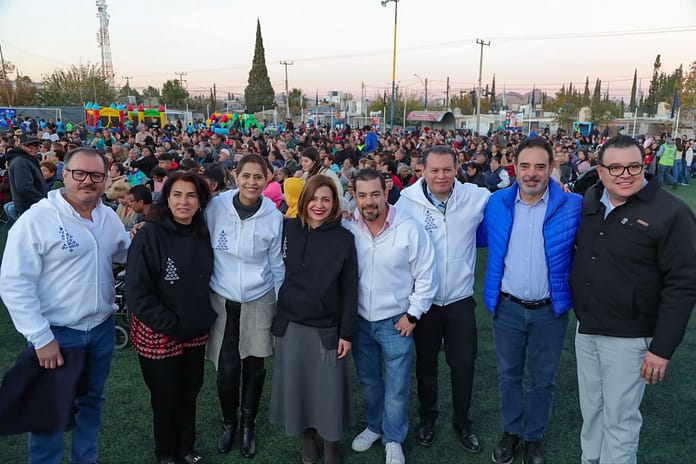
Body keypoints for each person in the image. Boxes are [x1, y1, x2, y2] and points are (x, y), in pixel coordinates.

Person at [570, 135, 696, 464]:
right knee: (592, 412)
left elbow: (683, 285)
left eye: (633, 167)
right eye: (615, 167)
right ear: (600, 171)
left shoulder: (671, 212)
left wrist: (662, 348)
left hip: (629, 338)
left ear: (644, 166)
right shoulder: (590, 200)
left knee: (619, 421)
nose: (625, 174)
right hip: (587, 330)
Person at [0, 147, 130, 464]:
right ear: (65, 175)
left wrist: (143, 237)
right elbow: (14, 283)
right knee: (48, 411)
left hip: (100, 330)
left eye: (96, 175)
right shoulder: (37, 219)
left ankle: (86, 460)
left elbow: (123, 252)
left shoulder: (108, 217)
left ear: (105, 179)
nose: (88, 181)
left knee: (92, 402)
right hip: (57, 334)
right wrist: (41, 338)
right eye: (79, 173)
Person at [480, 136, 582, 464]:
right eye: (525, 166)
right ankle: (511, 432)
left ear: (552, 168)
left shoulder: (573, 205)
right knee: (508, 375)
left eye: (540, 166)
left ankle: (533, 437)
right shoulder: (496, 202)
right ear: (515, 167)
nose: (532, 173)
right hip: (507, 308)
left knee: (543, 380)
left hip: (549, 312)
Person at [395, 145, 490, 454]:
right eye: (434, 170)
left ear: (456, 169)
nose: (441, 176)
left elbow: (511, 199)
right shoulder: (406, 201)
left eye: (447, 169)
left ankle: (463, 422)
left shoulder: (475, 196)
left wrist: (556, 186)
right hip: (425, 302)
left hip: (460, 299)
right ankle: (428, 417)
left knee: (463, 365)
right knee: (426, 366)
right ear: (422, 170)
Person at [125, 171, 216, 464]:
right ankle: (165, 453)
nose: (183, 202)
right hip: (159, 331)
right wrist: (170, 325)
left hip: (194, 328)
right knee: (165, 397)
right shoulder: (149, 234)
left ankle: (186, 448)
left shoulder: (203, 232)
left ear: (200, 201)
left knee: (189, 392)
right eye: (177, 194)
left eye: (191, 195)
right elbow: (137, 292)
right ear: (166, 198)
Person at [348, 169, 437, 464]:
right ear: (354, 195)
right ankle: (375, 426)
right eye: (362, 195)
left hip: (396, 322)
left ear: (386, 192)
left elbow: (427, 276)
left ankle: (393, 438)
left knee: (397, 388)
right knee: (369, 382)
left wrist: (413, 315)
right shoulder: (349, 226)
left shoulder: (409, 228)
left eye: (375, 194)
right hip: (360, 322)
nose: (369, 201)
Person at [270, 175, 359, 464]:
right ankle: (308, 438)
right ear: (304, 200)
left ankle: (331, 443)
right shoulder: (288, 229)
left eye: (326, 199)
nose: (319, 205)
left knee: (328, 390)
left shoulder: (344, 238)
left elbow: (350, 288)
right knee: (299, 387)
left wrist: (346, 333)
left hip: (327, 327)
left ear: (334, 203)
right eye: (314, 199)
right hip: (291, 324)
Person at [204, 154, 285, 459]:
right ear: (236, 176)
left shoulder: (273, 216)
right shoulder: (216, 207)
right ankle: (230, 423)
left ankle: (248, 424)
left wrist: (280, 304)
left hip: (259, 297)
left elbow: (277, 265)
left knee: (254, 366)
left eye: (258, 177)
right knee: (226, 369)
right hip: (222, 297)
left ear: (267, 179)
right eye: (246, 176)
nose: (252, 182)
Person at [6, 137, 48, 216]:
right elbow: (24, 187)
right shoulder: (20, 161)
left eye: (37, 146)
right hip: (30, 207)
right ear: (21, 146)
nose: (34, 149)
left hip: (33, 206)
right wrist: (43, 200)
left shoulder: (28, 158)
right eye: (30, 147)